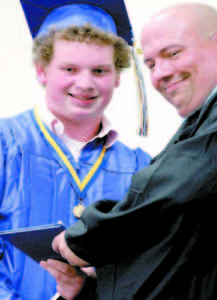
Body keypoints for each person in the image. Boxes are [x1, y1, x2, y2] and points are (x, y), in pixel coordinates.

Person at [43, 2, 217, 300]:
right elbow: (181, 245)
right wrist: (93, 284)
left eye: (173, 53)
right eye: (150, 64)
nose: (161, 73)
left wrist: (88, 237)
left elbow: (177, 191)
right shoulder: (212, 121)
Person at [0, 1, 151, 299]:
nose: (85, 83)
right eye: (69, 68)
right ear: (43, 71)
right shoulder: (6, 144)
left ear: (117, 77)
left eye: (99, 70)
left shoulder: (139, 168)